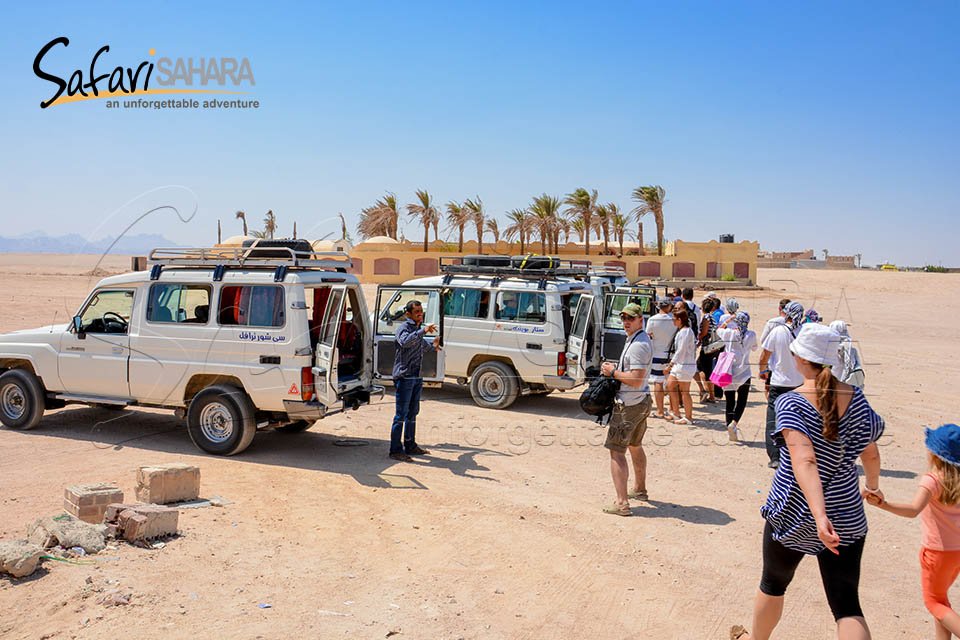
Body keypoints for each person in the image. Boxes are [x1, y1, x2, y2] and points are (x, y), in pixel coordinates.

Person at [732, 323, 884, 640]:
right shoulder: (857, 400)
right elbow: (870, 453)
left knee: (773, 584)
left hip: (794, 514)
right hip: (847, 515)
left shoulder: (792, 402)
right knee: (846, 606)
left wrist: (819, 516)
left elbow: (805, 461)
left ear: (799, 358)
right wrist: (872, 486)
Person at [866, 424, 960, 639]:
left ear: (935, 454)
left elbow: (913, 510)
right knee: (941, 599)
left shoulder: (932, 480)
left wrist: (883, 504)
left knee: (933, 602)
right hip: (957, 552)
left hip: (937, 552)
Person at [599, 303, 653, 516]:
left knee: (616, 451)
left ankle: (622, 503)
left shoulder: (639, 344)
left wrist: (613, 372)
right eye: (623, 318)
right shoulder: (638, 339)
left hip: (628, 405)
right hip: (640, 402)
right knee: (635, 445)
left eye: (631, 318)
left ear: (641, 319)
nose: (626, 322)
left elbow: (637, 379)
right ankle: (639, 489)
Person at [389, 300, 441, 462]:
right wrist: (423, 331)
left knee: (412, 413)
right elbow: (405, 342)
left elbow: (424, 347)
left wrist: (435, 346)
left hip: (416, 377)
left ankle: (410, 445)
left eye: (421, 311)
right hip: (404, 377)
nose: (420, 314)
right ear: (408, 314)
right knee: (401, 415)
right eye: (417, 311)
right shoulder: (404, 329)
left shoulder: (417, 330)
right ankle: (395, 450)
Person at [758, 301, 805, 469]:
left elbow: (765, 354)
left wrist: (763, 370)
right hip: (800, 384)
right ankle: (794, 454)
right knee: (798, 420)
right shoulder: (805, 333)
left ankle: (775, 456)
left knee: (774, 419)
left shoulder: (778, 331)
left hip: (779, 383)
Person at [717, 310, 757, 442]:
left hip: (729, 371)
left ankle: (729, 426)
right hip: (744, 372)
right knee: (742, 401)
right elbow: (755, 348)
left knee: (729, 402)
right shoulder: (751, 335)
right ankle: (734, 423)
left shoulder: (729, 333)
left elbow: (718, 330)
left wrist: (728, 321)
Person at [665, 305, 697, 425]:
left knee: (685, 391)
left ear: (679, 320)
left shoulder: (685, 332)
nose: (673, 321)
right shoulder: (682, 331)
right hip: (680, 365)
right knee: (670, 385)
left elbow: (681, 350)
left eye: (674, 319)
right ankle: (676, 412)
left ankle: (688, 417)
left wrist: (670, 365)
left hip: (684, 366)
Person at [645, 298, 677, 419]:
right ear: (669, 307)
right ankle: (673, 410)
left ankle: (660, 410)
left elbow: (648, 336)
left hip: (657, 353)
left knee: (658, 382)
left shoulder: (652, 320)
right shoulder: (674, 320)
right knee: (671, 383)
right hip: (671, 355)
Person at [696, 297, 721, 403]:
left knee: (702, 369)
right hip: (713, 347)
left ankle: (709, 393)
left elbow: (705, 332)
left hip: (707, 347)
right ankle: (709, 392)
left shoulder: (706, 317)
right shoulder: (712, 317)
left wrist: (699, 338)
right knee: (703, 368)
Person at [829, 320, 865, 389]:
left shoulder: (828, 350)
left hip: (832, 385)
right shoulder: (852, 350)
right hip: (848, 387)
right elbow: (857, 367)